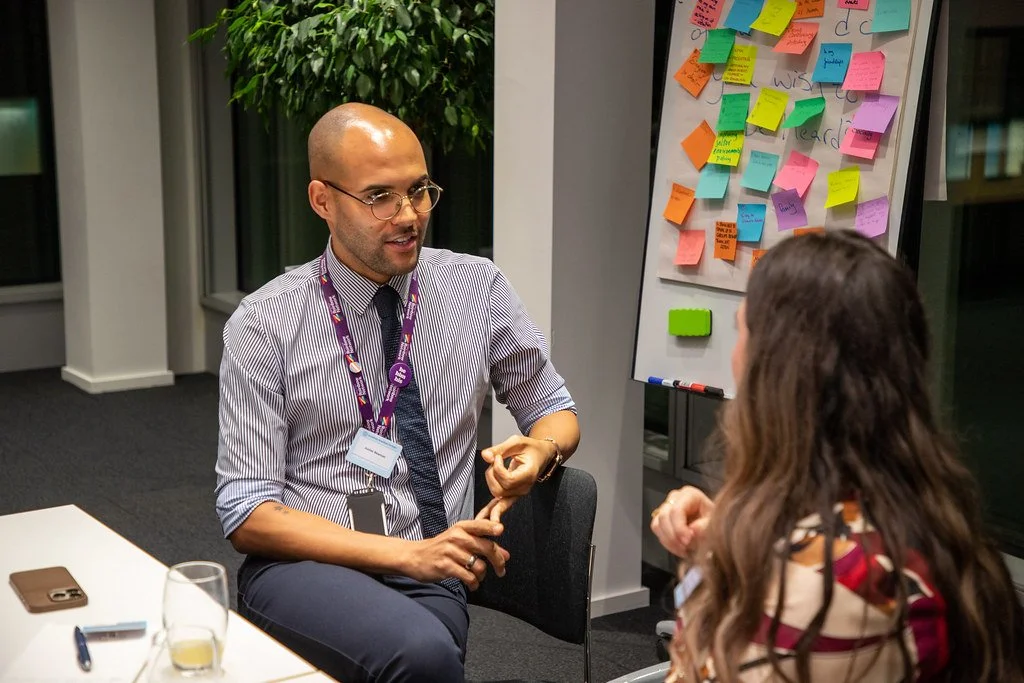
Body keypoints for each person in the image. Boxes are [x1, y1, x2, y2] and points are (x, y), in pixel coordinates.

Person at [215, 102, 580, 682]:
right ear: (322, 201)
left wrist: (541, 451)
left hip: (434, 568)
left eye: (419, 191)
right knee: (421, 655)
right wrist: (410, 554)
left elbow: (553, 408)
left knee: (421, 650)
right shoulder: (264, 323)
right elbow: (247, 513)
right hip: (306, 563)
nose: (409, 215)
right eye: (381, 196)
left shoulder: (475, 289)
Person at [650, 231, 1024, 682]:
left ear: (779, 378)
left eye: (742, 334)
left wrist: (714, 566)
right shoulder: (931, 521)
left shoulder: (824, 591)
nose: (733, 358)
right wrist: (733, 532)